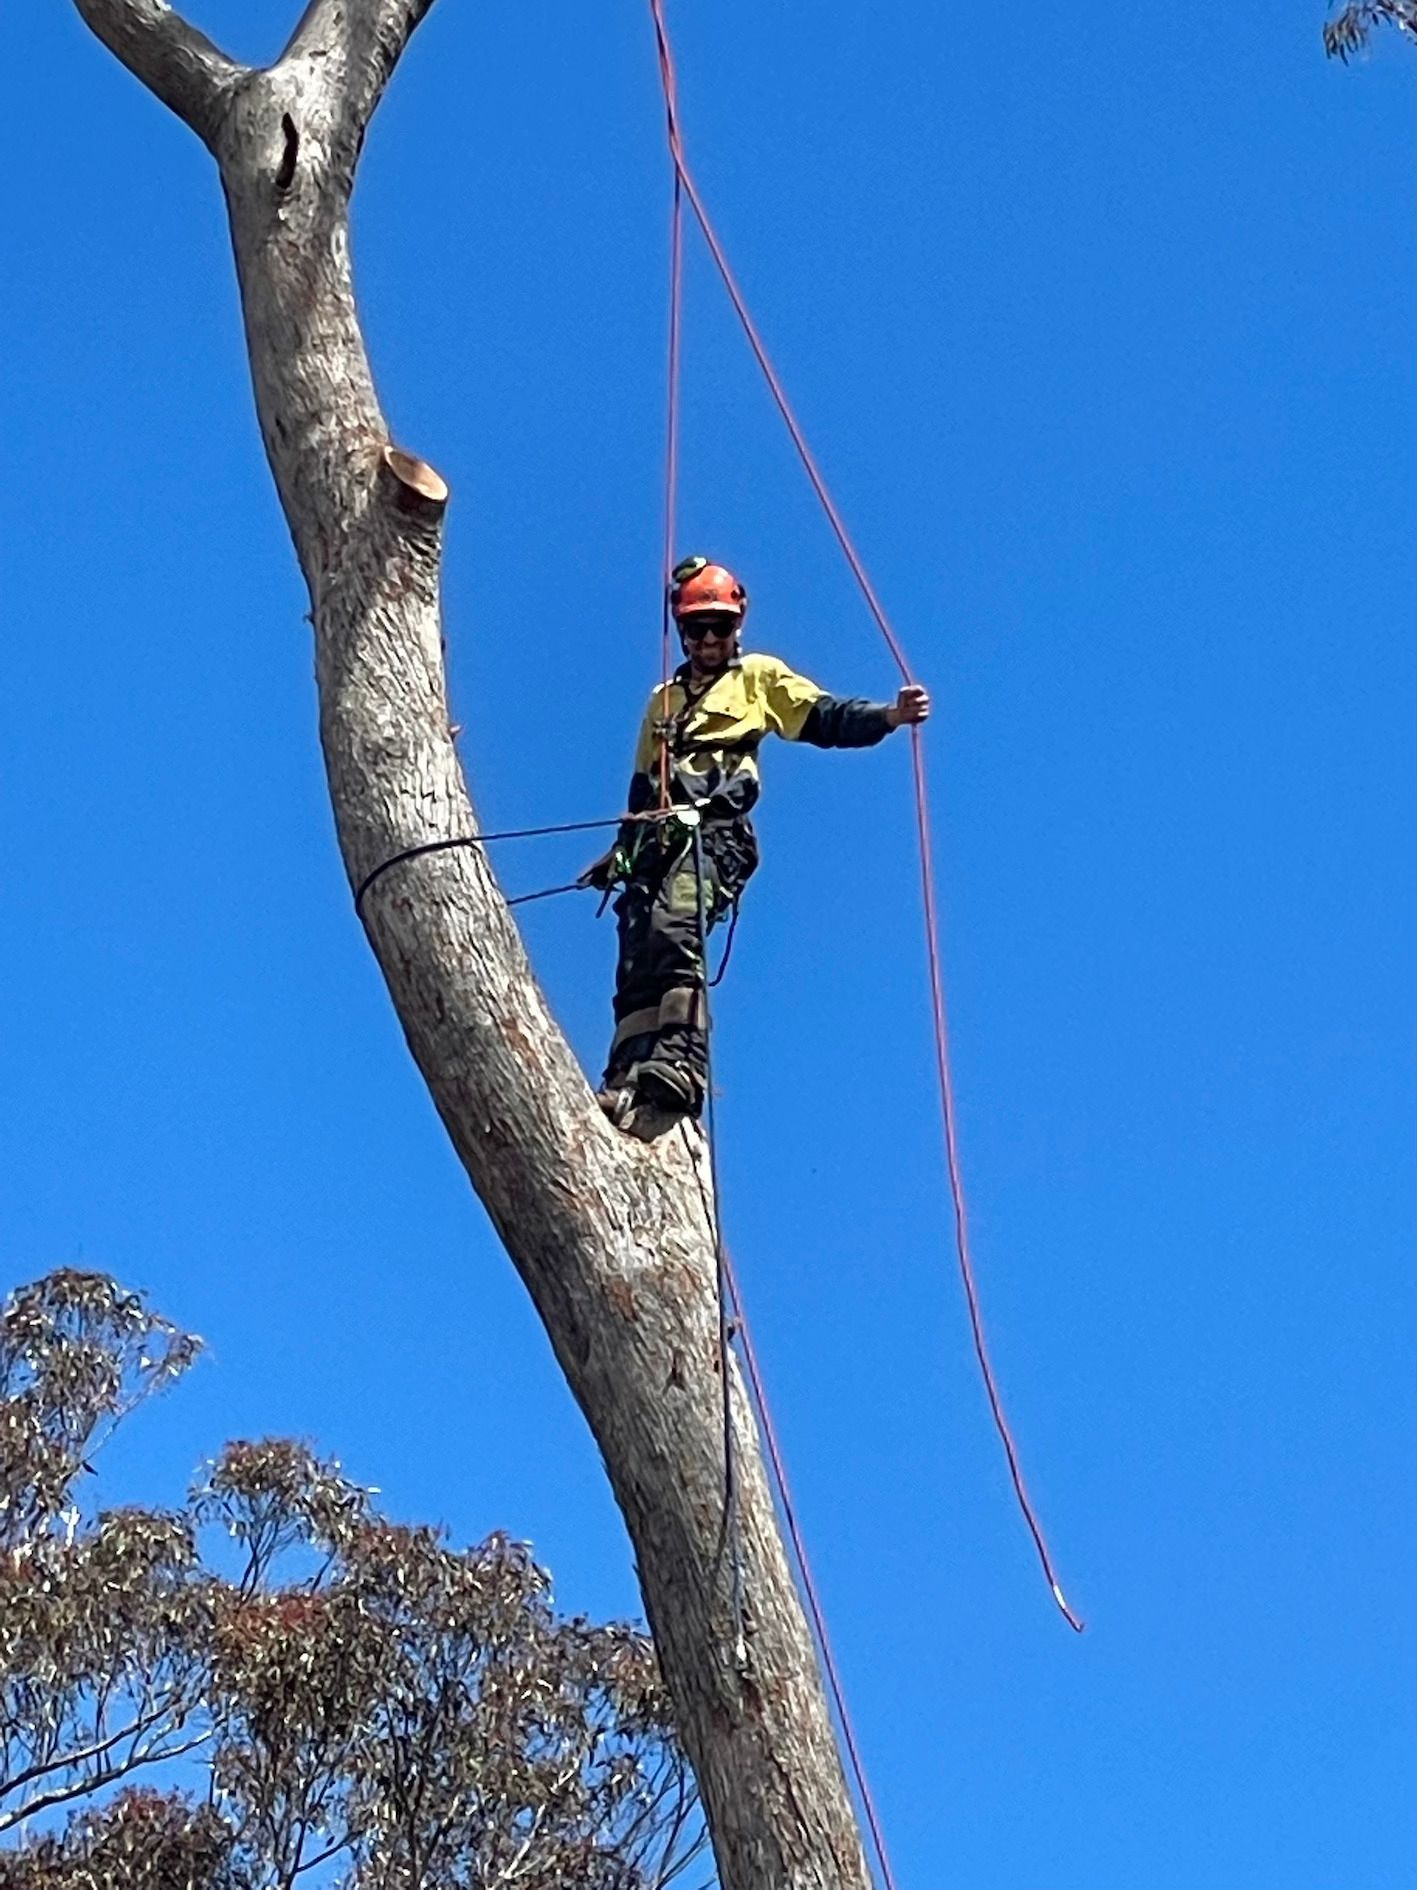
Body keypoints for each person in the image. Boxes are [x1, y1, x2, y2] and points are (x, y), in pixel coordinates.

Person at [584, 555, 931, 1123]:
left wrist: (889, 716)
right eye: (697, 629)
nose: (708, 639)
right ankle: (627, 1072)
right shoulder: (662, 702)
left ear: (737, 627)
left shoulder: (757, 679)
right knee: (636, 955)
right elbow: (643, 787)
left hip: (714, 834)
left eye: (719, 626)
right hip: (658, 841)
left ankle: (680, 1061)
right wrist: (621, 854)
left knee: (677, 928)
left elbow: (823, 717)